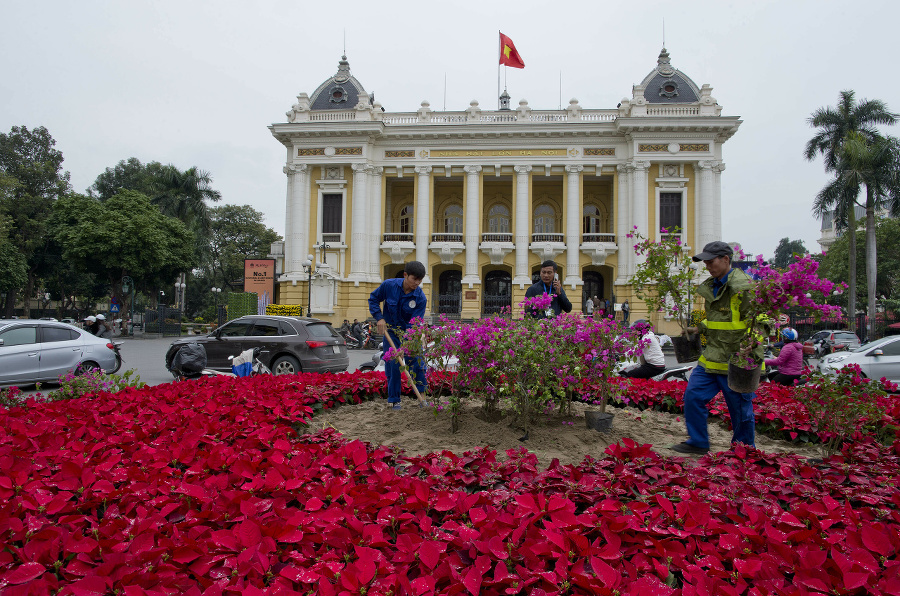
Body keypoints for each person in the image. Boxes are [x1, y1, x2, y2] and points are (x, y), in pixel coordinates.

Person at [671, 241, 762, 454]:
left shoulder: (743, 286)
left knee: (740, 410)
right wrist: (699, 328)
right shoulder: (713, 285)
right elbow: (718, 321)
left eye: (711, 262)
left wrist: (753, 341)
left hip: (737, 358)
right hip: (712, 356)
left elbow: (760, 318)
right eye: (706, 263)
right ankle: (698, 442)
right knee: (693, 396)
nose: (708, 266)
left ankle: (744, 449)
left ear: (726, 260)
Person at [368, 261, 428, 409]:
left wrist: (406, 346)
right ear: (405, 275)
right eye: (415, 279)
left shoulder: (420, 298)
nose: (417, 283)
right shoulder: (389, 286)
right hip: (391, 332)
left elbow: (414, 324)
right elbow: (373, 299)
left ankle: (423, 398)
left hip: (410, 334)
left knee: (418, 363)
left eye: (420, 280)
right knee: (393, 364)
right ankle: (395, 400)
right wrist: (379, 318)